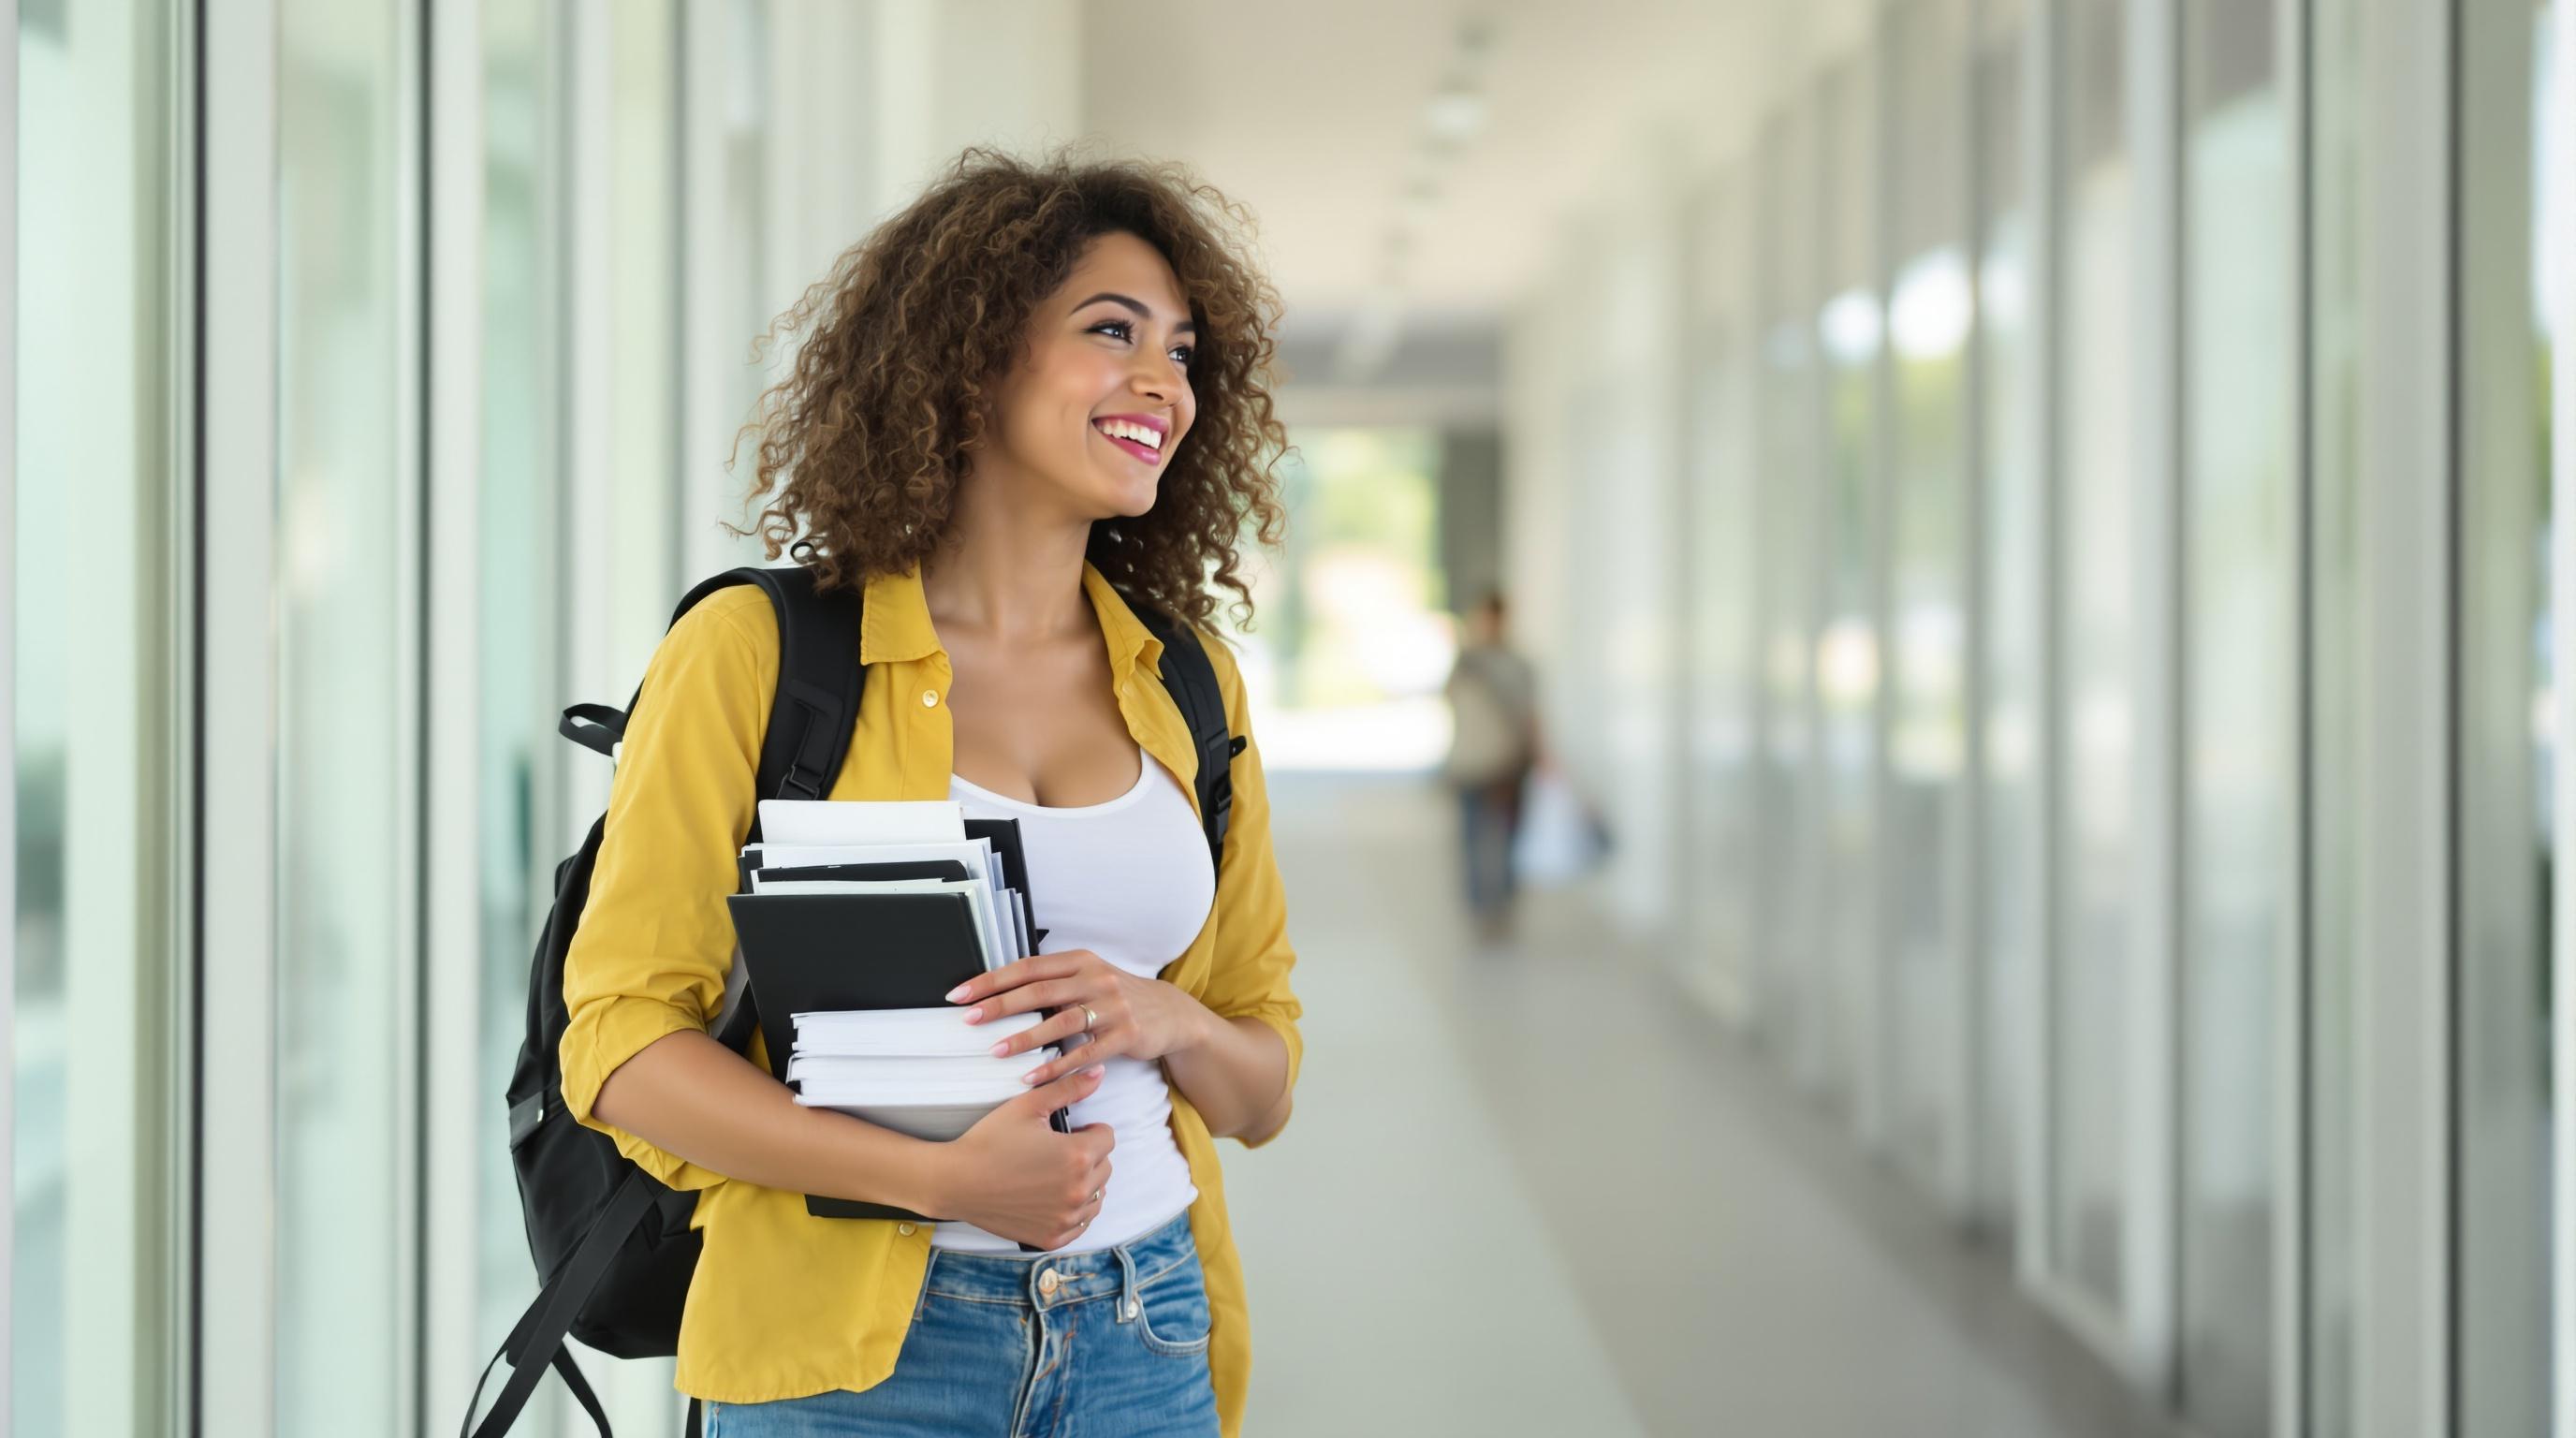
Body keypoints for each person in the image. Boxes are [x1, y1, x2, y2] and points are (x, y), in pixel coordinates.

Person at [559, 147, 1302, 1438]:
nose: (1162, 383)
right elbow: (620, 1046)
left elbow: (1262, 1084)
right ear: (972, 359)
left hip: (1145, 1325)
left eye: (1182, 350)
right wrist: (937, 1177)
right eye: (1111, 331)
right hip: (860, 1367)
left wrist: (1160, 1017)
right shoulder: (759, 654)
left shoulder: (1187, 681)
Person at [1442, 590, 1542, 941]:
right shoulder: (1464, 662)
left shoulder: (1519, 665)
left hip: (1509, 767)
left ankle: (1502, 905)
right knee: (1471, 840)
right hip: (1470, 765)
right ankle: (1480, 909)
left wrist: (1541, 757)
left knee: (1509, 842)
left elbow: (1532, 717)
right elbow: (1452, 706)